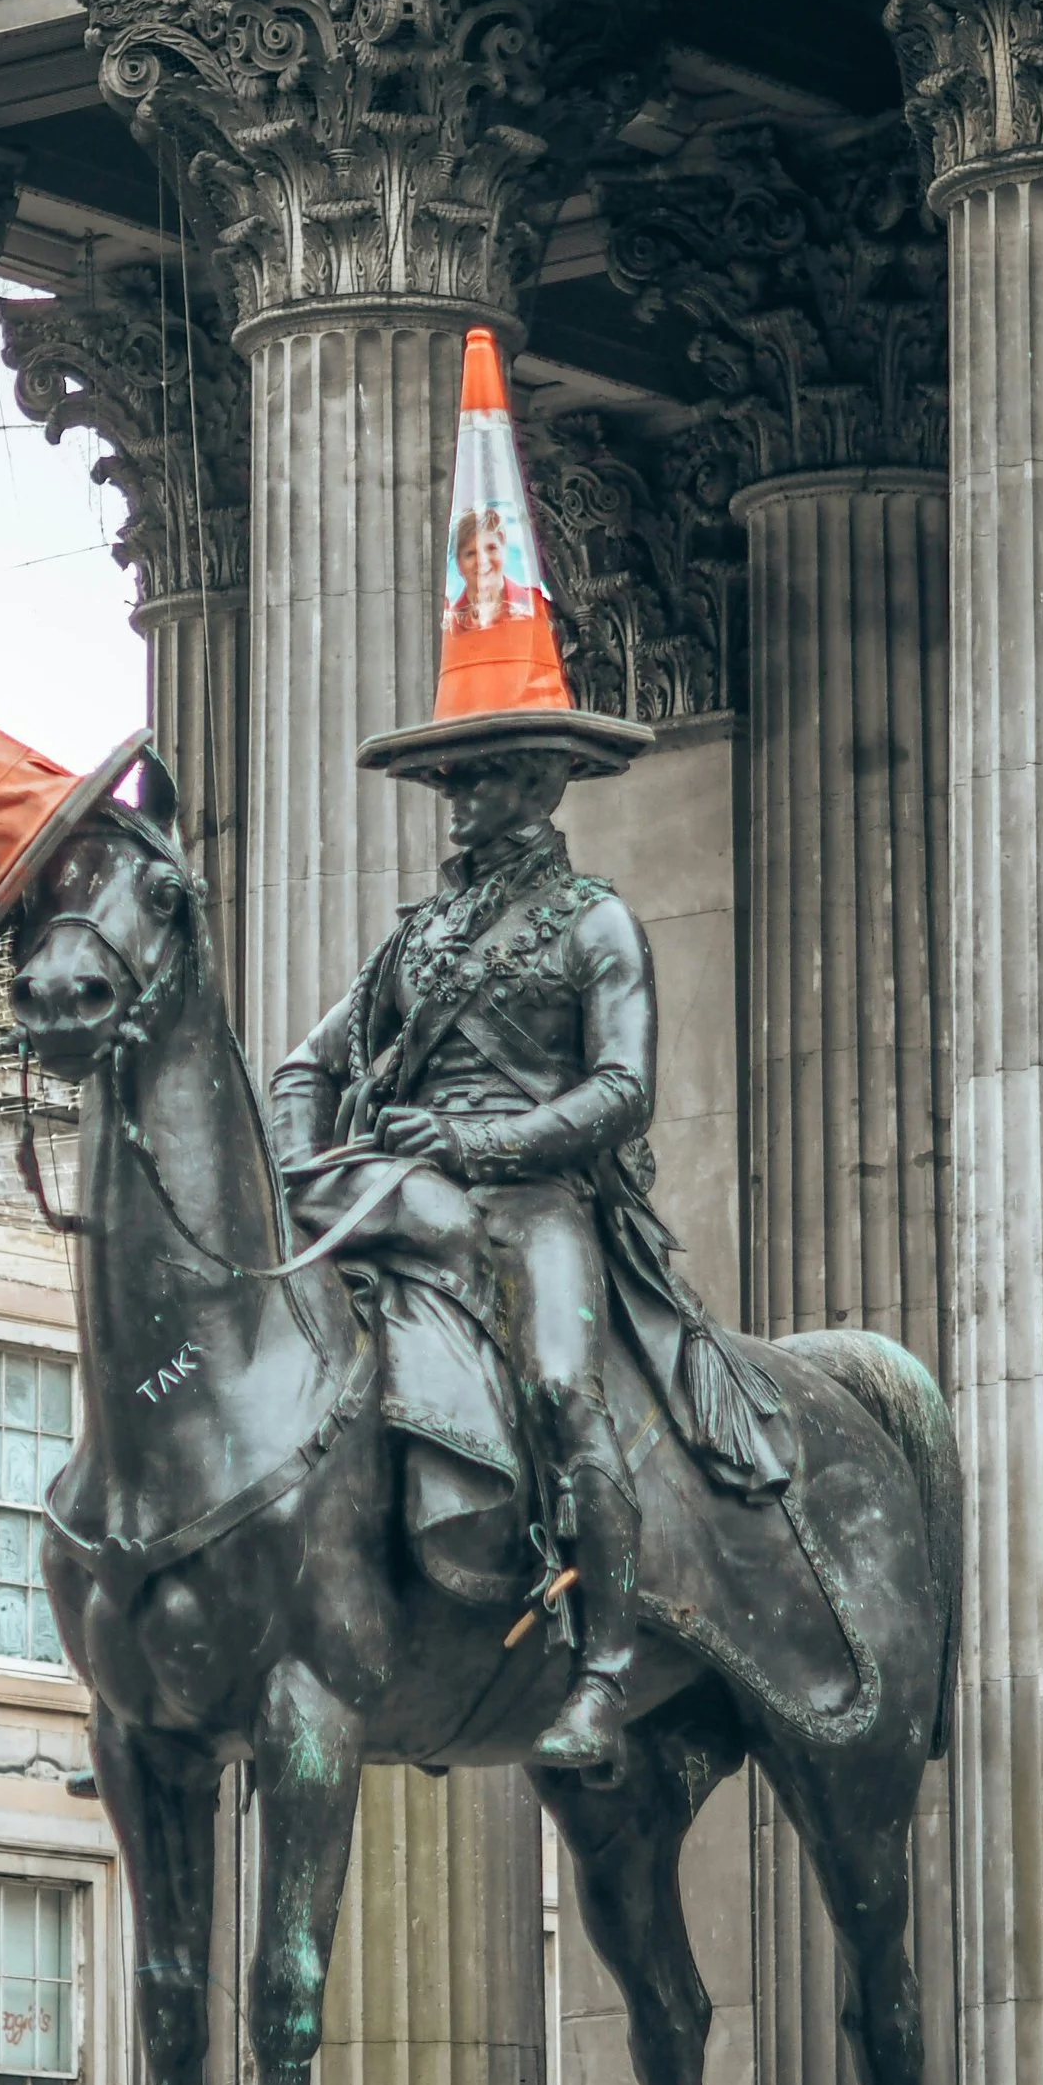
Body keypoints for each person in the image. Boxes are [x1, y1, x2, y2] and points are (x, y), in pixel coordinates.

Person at [268, 735, 788, 1776]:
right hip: (390, 1193)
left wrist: (473, 1142)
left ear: (546, 783)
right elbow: (305, 1067)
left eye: (484, 776)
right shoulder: (415, 940)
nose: (460, 798)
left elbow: (620, 1091)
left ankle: (602, 1665)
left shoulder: (595, 921)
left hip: (531, 1199)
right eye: (451, 779)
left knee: (560, 1385)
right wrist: (301, 1174)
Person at [445, 506, 537, 633]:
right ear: (458, 562)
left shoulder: (537, 606)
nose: (482, 561)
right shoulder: (449, 627)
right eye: (470, 554)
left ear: (503, 547)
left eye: (491, 548)